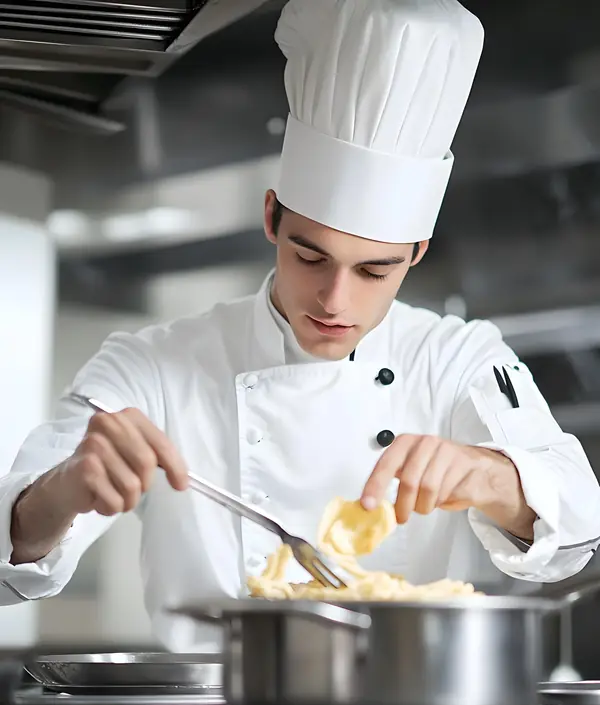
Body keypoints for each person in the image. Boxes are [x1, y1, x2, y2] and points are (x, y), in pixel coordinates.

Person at [1, 0, 599, 652]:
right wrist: (63, 490)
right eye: (310, 256)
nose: (335, 299)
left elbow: (578, 531)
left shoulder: (456, 359)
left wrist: (486, 475)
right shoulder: (151, 366)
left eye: (374, 271)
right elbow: (11, 560)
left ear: (417, 253)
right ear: (271, 219)